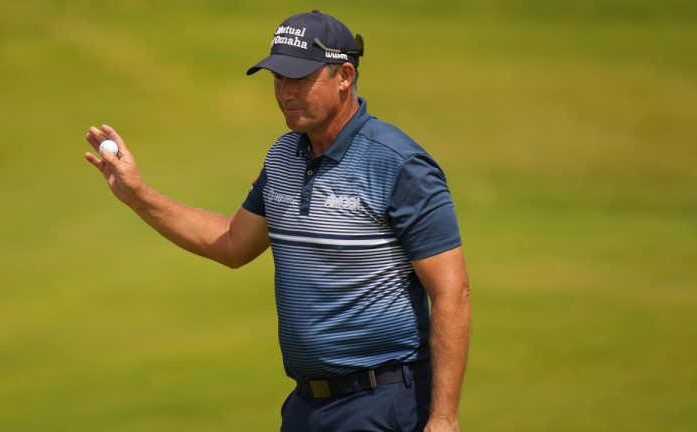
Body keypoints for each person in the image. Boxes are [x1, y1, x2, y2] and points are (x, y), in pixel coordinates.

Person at [84, 10, 470, 432]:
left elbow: (451, 292)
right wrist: (139, 195)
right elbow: (231, 243)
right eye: (278, 79)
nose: (285, 93)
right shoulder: (284, 157)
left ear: (344, 75)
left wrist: (444, 418)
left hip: (381, 402)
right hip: (306, 407)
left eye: (300, 79)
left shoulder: (397, 163)